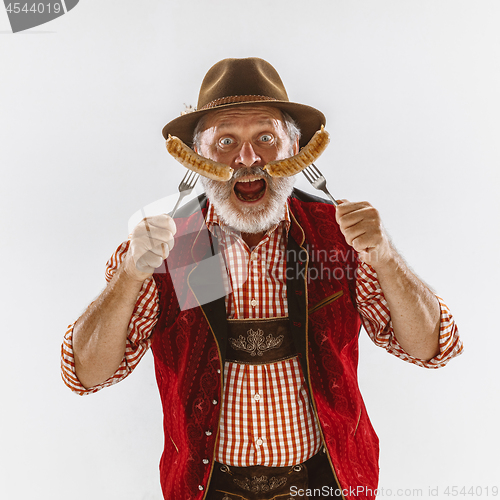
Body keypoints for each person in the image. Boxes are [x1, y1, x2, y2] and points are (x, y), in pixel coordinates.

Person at [61, 57, 463, 500]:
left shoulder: (340, 234)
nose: (248, 159)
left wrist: (385, 256)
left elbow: (433, 347)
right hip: (207, 490)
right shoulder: (169, 244)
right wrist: (130, 273)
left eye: (266, 138)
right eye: (226, 141)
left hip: (326, 486)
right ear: (198, 159)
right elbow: (85, 374)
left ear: (294, 150)